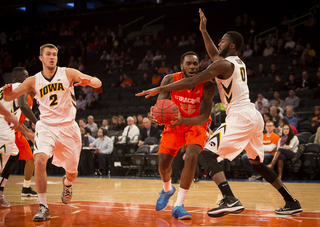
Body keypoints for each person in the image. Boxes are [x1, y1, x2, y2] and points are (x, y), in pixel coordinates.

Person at [137, 9, 302, 217]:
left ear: (231, 45)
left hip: (240, 116)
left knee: (205, 154)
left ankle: (229, 199)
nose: (219, 43)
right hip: (254, 116)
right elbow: (214, 54)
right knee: (258, 165)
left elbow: (193, 80)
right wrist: (203, 30)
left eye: (222, 41)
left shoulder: (223, 64)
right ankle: (291, 201)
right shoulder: (235, 61)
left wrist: (159, 89)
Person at [3, 43, 102, 221]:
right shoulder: (33, 80)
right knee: (39, 160)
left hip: (68, 128)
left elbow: (98, 82)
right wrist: (8, 93)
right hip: (46, 126)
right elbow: (11, 97)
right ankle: (43, 206)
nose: (52, 57)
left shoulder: (68, 73)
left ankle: (68, 183)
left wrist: (90, 81)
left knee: (72, 172)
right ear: (41, 58)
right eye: (48, 54)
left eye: (54, 54)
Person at [143, 50, 215, 220]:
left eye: (195, 63)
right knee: (163, 162)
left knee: (190, 157)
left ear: (199, 66)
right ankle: (167, 189)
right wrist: (157, 116)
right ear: (181, 66)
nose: (192, 66)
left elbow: (204, 117)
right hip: (174, 125)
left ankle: (179, 205)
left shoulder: (207, 84)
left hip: (195, 125)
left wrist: (182, 120)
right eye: (188, 63)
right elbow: (160, 104)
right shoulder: (169, 80)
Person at [11, 67, 39, 197]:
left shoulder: (28, 95)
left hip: (16, 129)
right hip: (8, 129)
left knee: (30, 159)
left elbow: (17, 119)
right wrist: (33, 125)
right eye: (26, 77)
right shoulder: (20, 92)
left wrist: (27, 131)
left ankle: (26, 188)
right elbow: (12, 117)